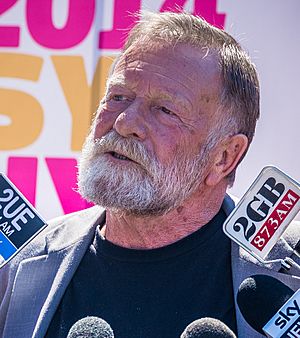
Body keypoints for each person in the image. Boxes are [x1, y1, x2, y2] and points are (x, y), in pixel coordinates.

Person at [0, 11, 299, 338]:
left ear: (224, 157)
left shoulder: (290, 271)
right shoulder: (22, 267)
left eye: (165, 110)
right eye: (117, 97)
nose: (124, 122)